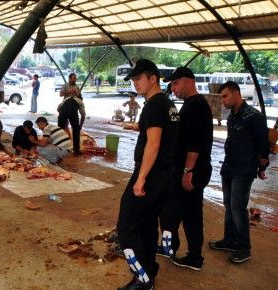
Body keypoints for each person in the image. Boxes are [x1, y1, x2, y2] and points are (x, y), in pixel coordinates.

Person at [115, 59, 179, 290]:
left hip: (150, 174)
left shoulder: (153, 105)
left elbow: (154, 144)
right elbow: (160, 134)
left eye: (139, 78)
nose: (135, 83)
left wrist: (141, 178)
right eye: (133, 79)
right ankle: (150, 269)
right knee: (147, 224)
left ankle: (142, 278)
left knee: (126, 226)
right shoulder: (168, 105)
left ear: (154, 78)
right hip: (165, 174)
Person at [158, 67, 213, 271]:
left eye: (175, 83)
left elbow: (195, 144)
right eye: (171, 85)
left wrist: (187, 171)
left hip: (192, 172)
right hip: (189, 170)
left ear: (189, 82)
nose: (173, 89)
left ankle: (192, 257)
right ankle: (173, 248)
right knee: (182, 213)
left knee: (182, 214)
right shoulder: (191, 104)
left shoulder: (196, 106)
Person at [208, 81, 269, 264]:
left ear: (236, 93)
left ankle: (243, 247)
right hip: (229, 167)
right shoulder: (232, 116)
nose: (223, 101)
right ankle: (229, 240)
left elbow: (263, 146)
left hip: (244, 169)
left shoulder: (254, 116)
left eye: (225, 96)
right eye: (221, 98)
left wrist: (262, 168)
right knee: (228, 205)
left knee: (238, 207)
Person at [58, 90, 86, 156]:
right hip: (73, 113)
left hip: (63, 113)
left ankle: (59, 150)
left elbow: (58, 108)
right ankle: (76, 151)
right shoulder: (80, 102)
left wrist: (63, 118)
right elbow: (83, 115)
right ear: (80, 98)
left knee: (59, 131)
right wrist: (80, 126)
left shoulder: (66, 99)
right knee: (76, 131)